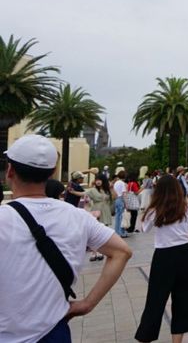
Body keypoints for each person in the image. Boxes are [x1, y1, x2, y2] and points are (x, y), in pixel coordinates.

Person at [0, 134, 131, 342]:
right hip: (53, 331)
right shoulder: (77, 217)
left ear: (10, 171)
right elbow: (122, 251)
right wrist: (88, 303)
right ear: (52, 172)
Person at [135, 176, 188, 342]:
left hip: (163, 257)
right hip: (186, 255)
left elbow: (143, 229)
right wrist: (184, 238)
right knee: (184, 300)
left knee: (155, 299)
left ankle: (146, 337)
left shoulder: (155, 210)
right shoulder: (187, 209)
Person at [86, 174, 113, 261]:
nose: (98, 181)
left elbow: (115, 197)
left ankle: (100, 252)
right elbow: (84, 195)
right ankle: (94, 252)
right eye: (96, 179)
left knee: (103, 233)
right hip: (96, 211)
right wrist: (73, 192)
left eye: (99, 179)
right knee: (95, 233)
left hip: (105, 211)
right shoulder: (92, 190)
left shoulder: (107, 190)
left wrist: (111, 187)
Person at [112, 170, 129, 238]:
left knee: (117, 217)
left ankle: (117, 231)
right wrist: (126, 203)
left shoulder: (116, 183)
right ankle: (121, 232)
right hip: (121, 199)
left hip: (116, 199)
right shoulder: (122, 183)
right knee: (122, 217)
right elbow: (124, 194)